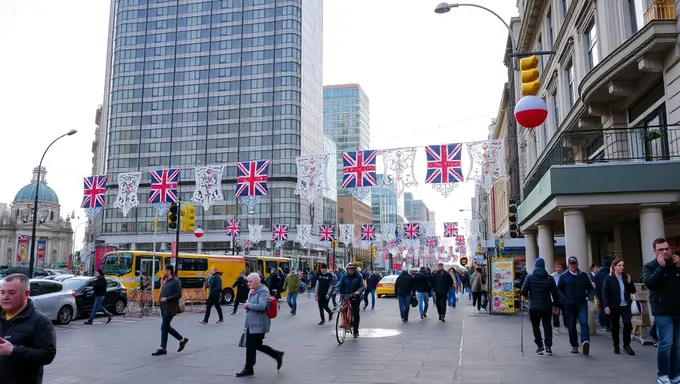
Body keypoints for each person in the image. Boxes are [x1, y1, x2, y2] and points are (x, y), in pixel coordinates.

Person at [0, 273, 57, 384]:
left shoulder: (41, 322)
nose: (5, 297)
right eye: (2, 292)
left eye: (11, 293)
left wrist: (14, 351)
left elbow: (48, 355)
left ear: (26, 294)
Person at [642, 238, 680, 384]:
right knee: (666, 344)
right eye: (660, 250)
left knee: (677, 346)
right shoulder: (650, 266)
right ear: (655, 252)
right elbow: (650, 283)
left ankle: (676, 375)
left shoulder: (677, 264)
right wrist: (660, 267)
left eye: (666, 249)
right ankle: (662, 374)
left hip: (678, 310)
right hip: (662, 311)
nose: (664, 252)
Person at [236, 273, 284, 377]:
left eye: (250, 282)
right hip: (252, 322)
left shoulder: (263, 291)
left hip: (259, 323)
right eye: (247, 281)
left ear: (257, 281)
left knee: (251, 345)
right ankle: (276, 355)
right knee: (256, 345)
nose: (248, 284)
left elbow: (261, 306)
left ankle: (249, 368)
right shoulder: (253, 290)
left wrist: (248, 305)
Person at [520, 258, 561, 356]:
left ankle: (540, 345)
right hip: (546, 306)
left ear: (535, 266)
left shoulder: (529, 278)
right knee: (547, 325)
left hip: (534, 306)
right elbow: (555, 293)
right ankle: (548, 346)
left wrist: (525, 295)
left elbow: (523, 290)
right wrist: (557, 305)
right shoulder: (550, 278)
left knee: (535, 325)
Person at [557, 257, 594, 355]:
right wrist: (565, 299)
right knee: (571, 325)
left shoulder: (583, 276)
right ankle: (574, 345)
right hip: (569, 305)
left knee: (584, 322)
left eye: (574, 263)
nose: (573, 265)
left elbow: (590, 288)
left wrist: (589, 297)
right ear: (568, 265)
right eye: (571, 264)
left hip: (581, 302)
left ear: (577, 264)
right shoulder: (564, 276)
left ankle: (585, 341)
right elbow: (559, 289)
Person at [601, 257, 636, 355]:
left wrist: (630, 282)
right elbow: (605, 293)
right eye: (619, 265)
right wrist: (606, 306)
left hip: (625, 305)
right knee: (615, 326)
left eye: (623, 265)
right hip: (614, 306)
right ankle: (616, 345)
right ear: (614, 267)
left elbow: (633, 291)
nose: (622, 267)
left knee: (628, 324)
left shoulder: (626, 277)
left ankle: (626, 345)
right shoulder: (609, 278)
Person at [152, 265, 189, 356]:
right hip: (163, 307)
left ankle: (163, 348)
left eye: (165, 270)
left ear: (169, 271)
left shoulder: (175, 281)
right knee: (165, 327)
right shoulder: (165, 280)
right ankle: (182, 339)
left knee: (164, 327)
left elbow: (178, 294)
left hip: (170, 308)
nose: (164, 271)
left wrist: (167, 299)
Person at [334, 264, 365, 338]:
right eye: (349, 269)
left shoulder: (358, 276)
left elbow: (362, 286)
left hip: (355, 295)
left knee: (356, 312)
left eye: (352, 269)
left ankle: (355, 330)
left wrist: (358, 291)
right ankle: (345, 321)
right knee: (343, 307)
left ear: (355, 270)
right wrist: (336, 290)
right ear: (347, 270)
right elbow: (339, 284)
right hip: (345, 294)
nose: (351, 271)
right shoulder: (344, 276)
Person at [594, 258, 613, 331]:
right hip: (609, 293)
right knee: (609, 307)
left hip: (599, 293)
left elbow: (595, 282)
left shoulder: (598, 273)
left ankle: (603, 323)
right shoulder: (609, 273)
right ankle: (608, 323)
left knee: (602, 307)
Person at [550, 263, 565, 330]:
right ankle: (556, 325)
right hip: (555, 295)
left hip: (563, 295)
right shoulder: (552, 276)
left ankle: (566, 324)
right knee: (556, 311)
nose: (559, 269)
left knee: (565, 311)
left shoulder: (564, 275)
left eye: (560, 267)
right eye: (557, 267)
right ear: (555, 268)